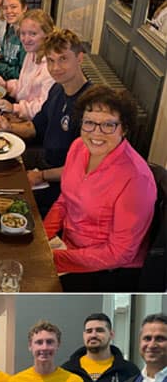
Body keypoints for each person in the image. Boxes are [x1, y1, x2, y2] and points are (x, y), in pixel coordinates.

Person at [43, 85, 156, 291]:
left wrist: (55, 258)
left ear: (125, 128)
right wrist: (41, 238)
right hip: (67, 247)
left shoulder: (136, 179)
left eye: (108, 125)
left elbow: (120, 253)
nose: (96, 132)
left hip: (106, 270)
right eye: (89, 123)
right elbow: (65, 200)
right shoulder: (78, 146)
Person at [0, 28, 93, 216]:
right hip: (43, 160)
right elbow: (36, 127)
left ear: (79, 58)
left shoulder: (91, 106)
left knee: (3, 204)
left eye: (63, 59)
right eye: (51, 61)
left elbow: (86, 168)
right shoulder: (57, 88)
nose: (55, 68)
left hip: (63, 183)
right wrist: (9, 127)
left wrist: (41, 176)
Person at [0, 9, 56, 121]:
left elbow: (43, 107)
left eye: (33, 34)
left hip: (35, 125)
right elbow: (25, 87)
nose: (26, 39)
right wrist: (5, 85)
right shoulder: (31, 53)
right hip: (22, 114)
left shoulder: (52, 65)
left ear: (47, 35)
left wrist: (14, 108)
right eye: (23, 33)